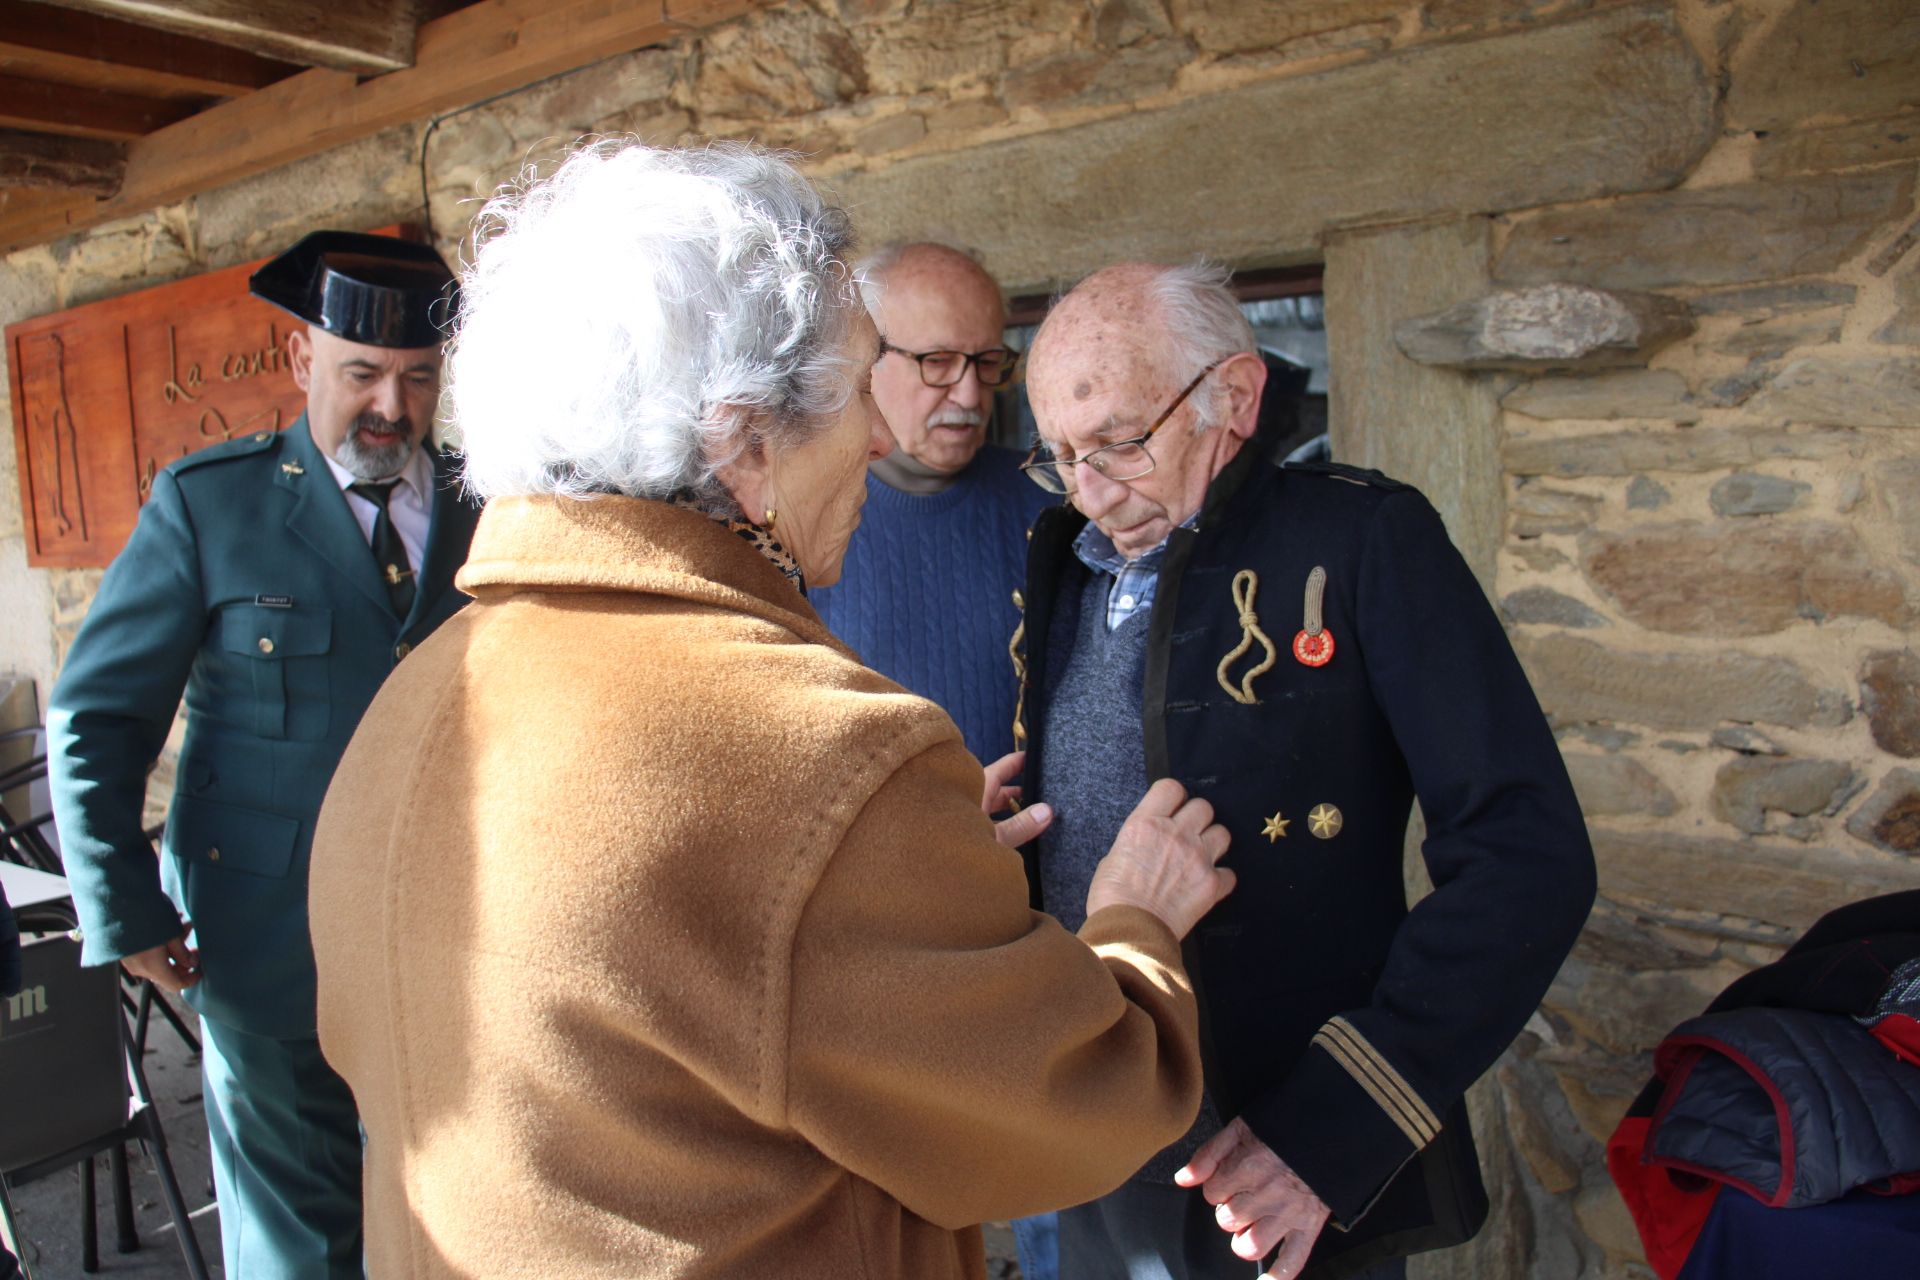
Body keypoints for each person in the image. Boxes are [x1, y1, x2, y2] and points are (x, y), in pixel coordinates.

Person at [307, 141, 1238, 1280]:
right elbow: (1082, 1100)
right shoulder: (816, 755)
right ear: (745, 440)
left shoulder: (404, 706)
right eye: (856, 390)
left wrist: (894, 883)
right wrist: (1134, 926)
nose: (886, 435)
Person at [1012, 262, 1596, 1280]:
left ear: (1232, 397)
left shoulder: (1364, 538)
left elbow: (1526, 854)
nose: (1091, 490)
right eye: (1061, 457)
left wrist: (1333, 1128)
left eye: (1118, 442)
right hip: (1082, 1132)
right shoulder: (1063, 555)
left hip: (1275, 1161)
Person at [47, 231, 480, 1278]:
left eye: (418, 379)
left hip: (454, 934)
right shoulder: (211, 504)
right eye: (362, 373)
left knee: (453, 1219)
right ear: (300, 364)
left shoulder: (487, 504)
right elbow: (95, 714)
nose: (390, 406)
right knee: (297, 1239)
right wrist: (126, 909)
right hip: (263, 938)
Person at [809, 242, 1054, 768]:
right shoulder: (799, 521)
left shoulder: (1055, 503)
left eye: (988, 363)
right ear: (864, 362)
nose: (969, 396)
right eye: (937, 363)